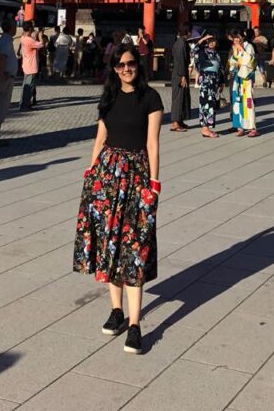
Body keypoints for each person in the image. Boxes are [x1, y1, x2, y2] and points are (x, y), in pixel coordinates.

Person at [73, 43, 163, 355]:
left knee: (135, 247)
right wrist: (90, 168)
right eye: (120, 65)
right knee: (110, 243)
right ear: (113, 69)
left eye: (131, 64)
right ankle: (116, 311)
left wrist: (154, 183)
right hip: (106, 176)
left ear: (139, 66)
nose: (126, 69)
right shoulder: (108, 97)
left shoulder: (150, 97)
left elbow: (153, 143)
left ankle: (136, 325)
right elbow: (101, 137)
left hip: (137, 175)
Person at [228, 29, 257, 137]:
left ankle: (251, 127)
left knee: (248, 101)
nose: (236, 41)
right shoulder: (234, 48)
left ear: (242, 39)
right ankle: (240, 126)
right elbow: (231, 62)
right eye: (235, 39)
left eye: (238, 39)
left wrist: (242, 51)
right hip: (237, 78)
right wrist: (235, 60)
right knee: (237, 101)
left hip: (246, 78)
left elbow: (251, 61)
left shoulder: (249, 46)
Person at [194, 33, 222, 138]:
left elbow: (220, 68)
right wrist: (203, 39)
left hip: (214, 80)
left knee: (211, 103)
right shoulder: (202, 51)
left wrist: (221, 82)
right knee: (206, 103)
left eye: (214, 41)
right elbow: (194, 50)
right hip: (206, 80)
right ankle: (205, 128)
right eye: (210, 41)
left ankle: (207, 127)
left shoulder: (216, 53)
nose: (212, 43)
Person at [170, 26, 191, 132]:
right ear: (188, 32)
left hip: (178, 72)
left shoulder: (179, 42)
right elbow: (181, 60)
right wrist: (182, 76)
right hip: (179, 73)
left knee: (182, 97)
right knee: (178, 98)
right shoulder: (182, 43)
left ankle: (180, 119)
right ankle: (175, 122)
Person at [19, 27, 43, 110]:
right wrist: (40, 36)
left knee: (25, 86)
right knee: (29, 87)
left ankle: (22, 103)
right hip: (31, 66)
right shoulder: (29, 40)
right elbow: (41, 44)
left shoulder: (23, 38)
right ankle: (25, 105)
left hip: (26, 65)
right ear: (29, 30)